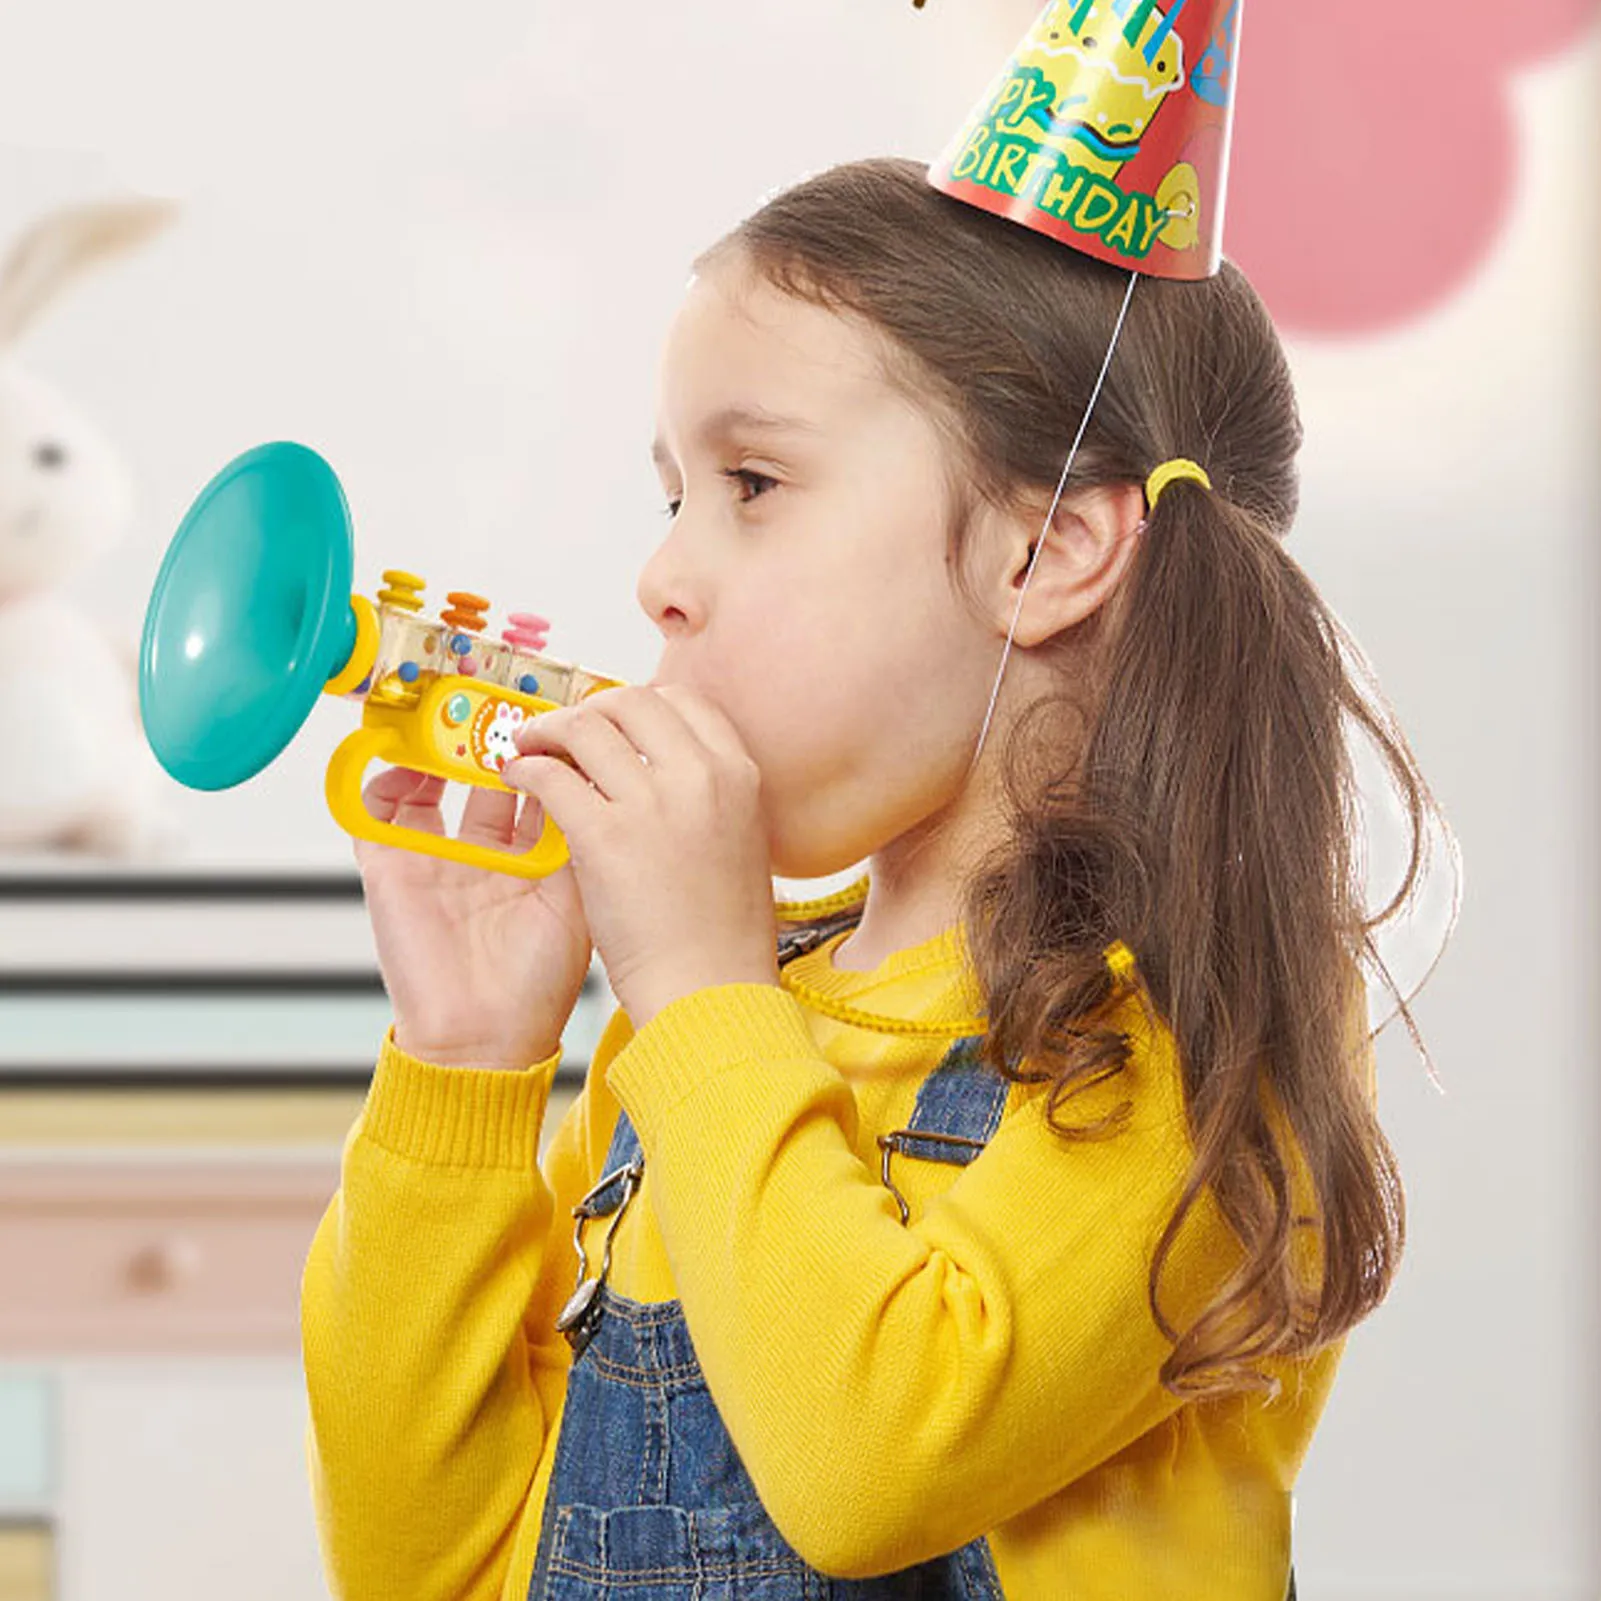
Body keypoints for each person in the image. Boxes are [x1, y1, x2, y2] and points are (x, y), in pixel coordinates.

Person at [301, 156, 1442, 1600]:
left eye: (752, 484)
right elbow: (426, 1572)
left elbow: (868, 1467)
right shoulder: (697, 1026)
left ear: (1046, 549)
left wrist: (706, 992)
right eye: (672, 497)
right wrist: (469, 1073)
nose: (661, 576)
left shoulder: (1192, 1030)